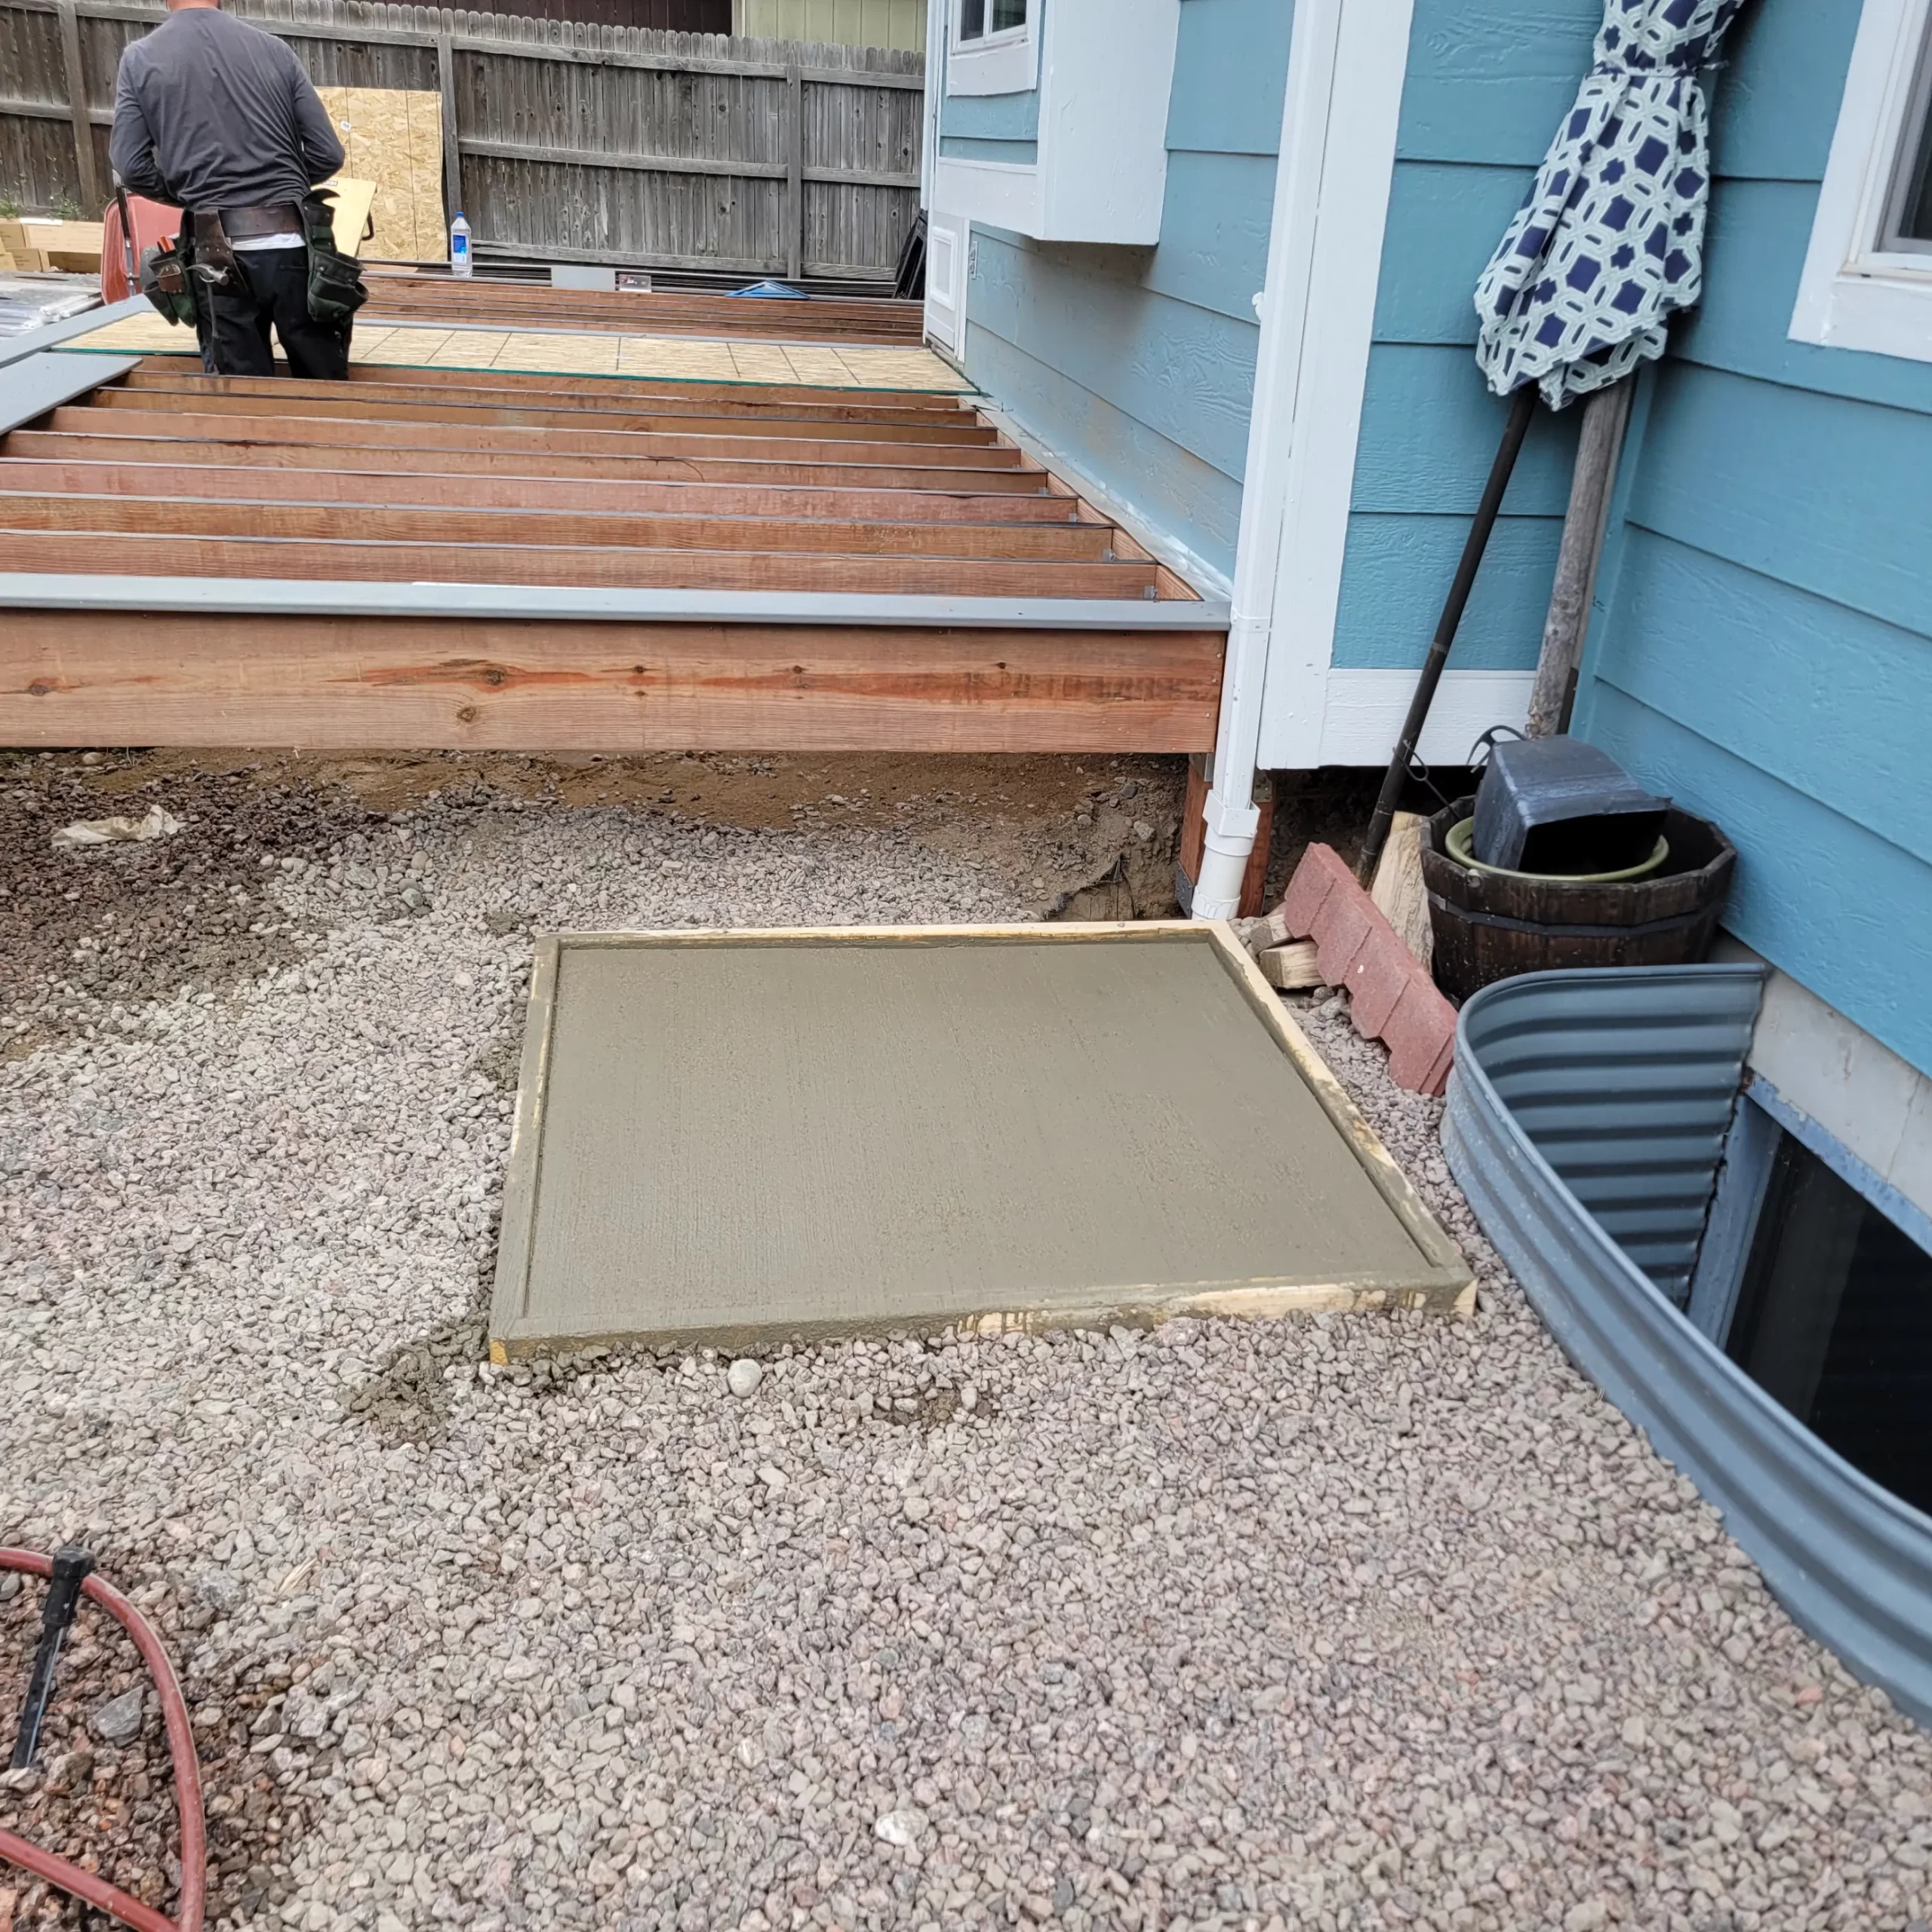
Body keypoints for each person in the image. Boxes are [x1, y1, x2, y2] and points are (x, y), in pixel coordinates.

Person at [109, 0, 350, 379]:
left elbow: (131, 167)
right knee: (326, 387)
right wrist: (282, 186)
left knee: (242, 402)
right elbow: (327, 153)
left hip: (215, 257)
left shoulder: (141, 58)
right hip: (294, 252)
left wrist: (196, 196)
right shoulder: (274, 50)